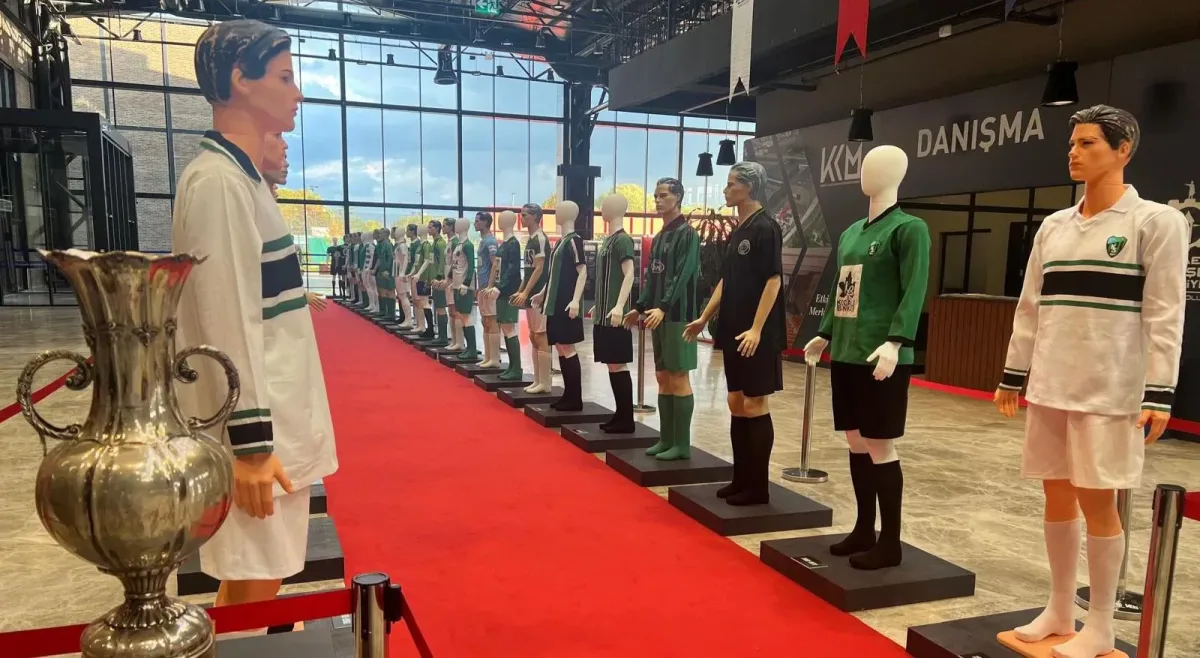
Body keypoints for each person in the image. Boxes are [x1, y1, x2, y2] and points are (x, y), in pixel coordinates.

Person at [994, 104, 1188, 658]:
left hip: (1109, 390)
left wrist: (1159, 392)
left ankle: (1100, 623)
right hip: (1051, 384)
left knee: (1099, 502)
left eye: (1088, 144)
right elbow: (1029, 307)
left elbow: (1165, 312)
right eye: (1072, 143)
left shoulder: (1155, 222)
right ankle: (1060, 606)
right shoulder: (1055, 226)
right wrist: (1014, 375)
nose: (1074, 153)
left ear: (1123, 150)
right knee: (1055, 493)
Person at [172, 19, 337, 620]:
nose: (297, 93)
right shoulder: (218, 184)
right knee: (252, 580)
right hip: (260, 427)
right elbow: (225, 321)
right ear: (240, 79)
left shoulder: (241, 180)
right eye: (285, 77)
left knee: (261, 575)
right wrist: (249, 444)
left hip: (279, 412)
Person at [686, 162, 785, 505]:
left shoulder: (766, 228)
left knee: (755, 404)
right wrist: (704, 317)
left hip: (757, 334)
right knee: (735, 401)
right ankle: (741, 478)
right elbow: (726, 281)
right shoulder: (737, 231)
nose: (726, 190)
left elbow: (773, 280)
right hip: (733, 328)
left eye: (731, 184)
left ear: (749, 187)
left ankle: (758, 487)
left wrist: (757, 328)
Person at [624, 178, 700, 461]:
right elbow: (651, 277)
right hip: (658, 316)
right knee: (662, 375)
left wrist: (665, 306)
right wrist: (640, 306)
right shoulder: (658, 238)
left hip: (679, 316)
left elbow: (683, 275)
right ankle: (666, 438)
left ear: (677, 197)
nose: (657, 200)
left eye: (663, 195)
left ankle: (682, 444)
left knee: (679, 375)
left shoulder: (687, 234)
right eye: (655, 196)